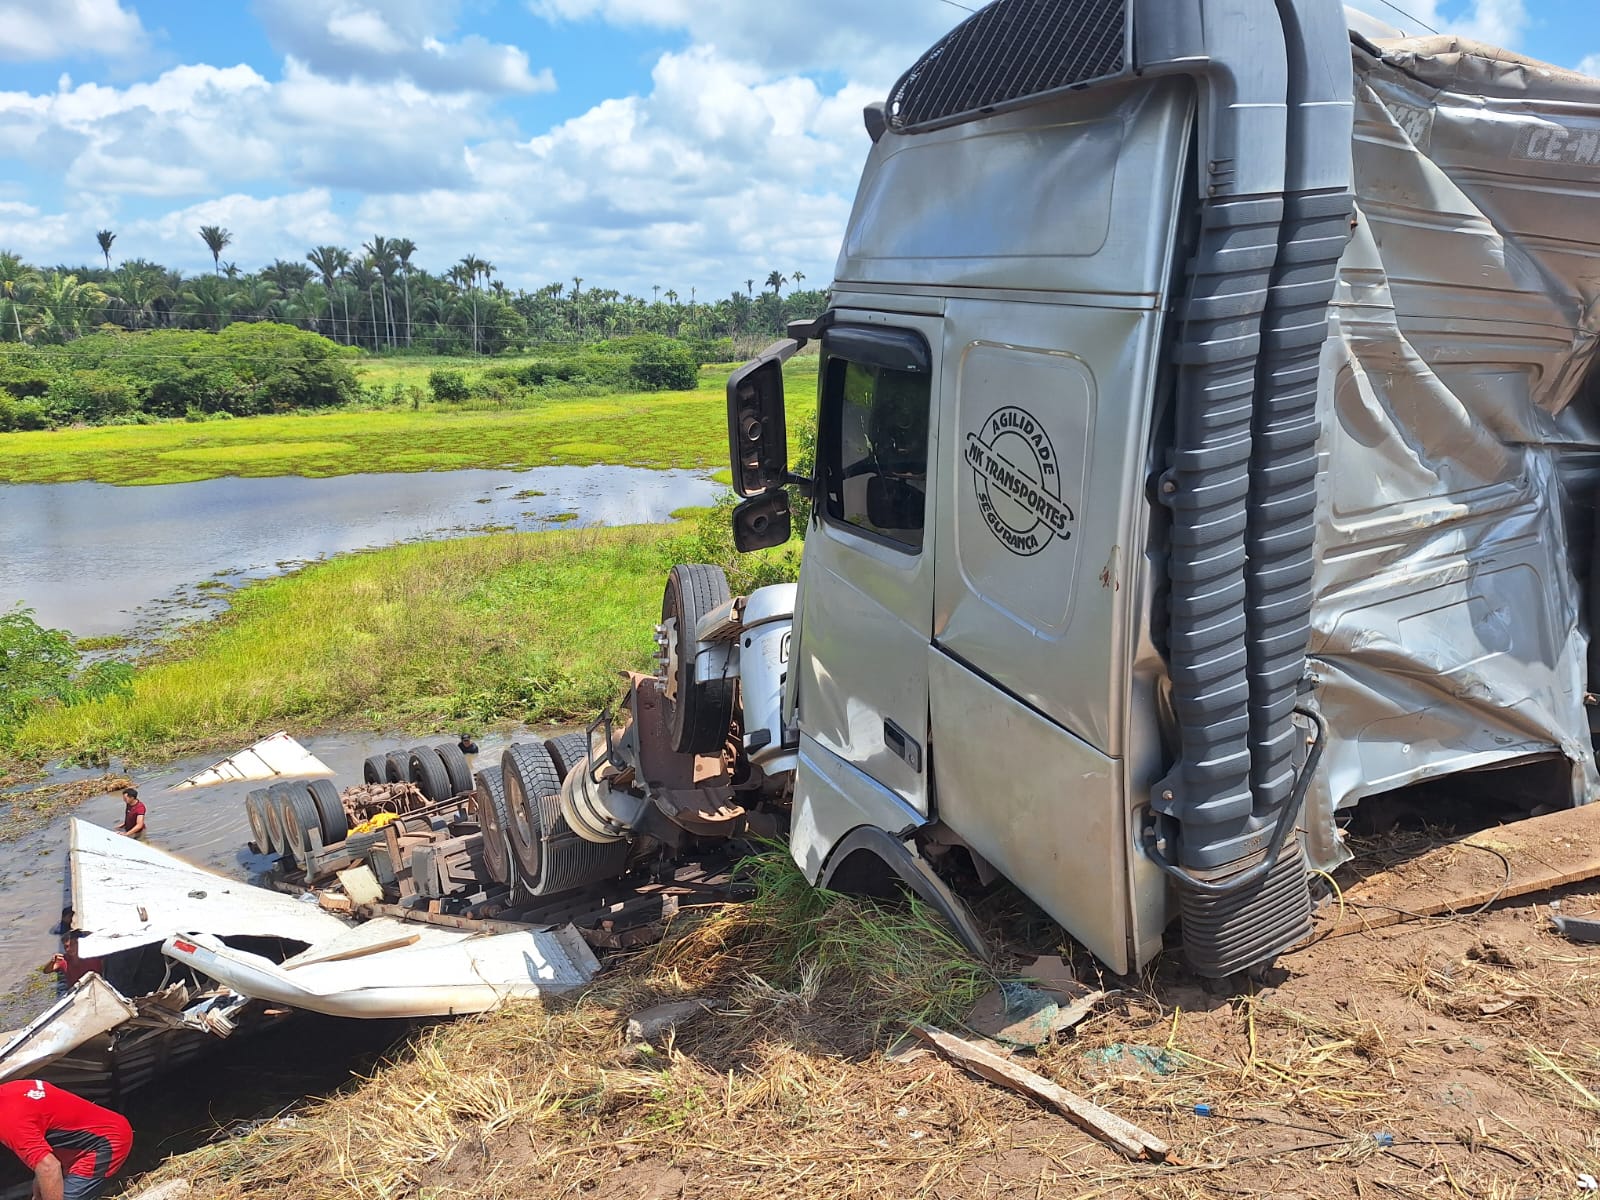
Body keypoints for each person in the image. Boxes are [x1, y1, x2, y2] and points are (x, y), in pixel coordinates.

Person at [0, 1079, 132, 1200]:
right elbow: (41, 1161)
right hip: (90, 1135)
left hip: (108, 1142)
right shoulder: (14, 1089)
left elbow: (49, 1168)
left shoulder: (8, 1122)